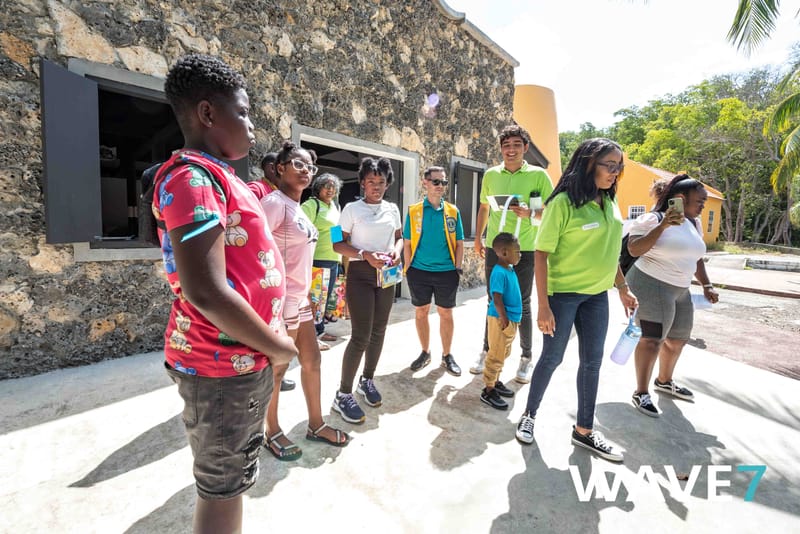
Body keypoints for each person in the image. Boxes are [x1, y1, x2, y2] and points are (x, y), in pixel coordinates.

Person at [155, 53, 298, 534]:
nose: (253, 125)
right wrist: (278, 346)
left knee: (233, 478)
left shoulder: (222, 178)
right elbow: (207, 290)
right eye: (243, 112)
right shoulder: (190, 179)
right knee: (222, 490)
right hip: (219, 368)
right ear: (208, 114)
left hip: (240, 361)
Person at [514, 138, 637, 463]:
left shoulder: (610, 203)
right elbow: (541, 254)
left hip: (597, 297)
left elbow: (610, 254)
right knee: (551, 359)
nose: (615, 173)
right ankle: (529, 415)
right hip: (563, 296)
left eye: (618, 167)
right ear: (588, 164)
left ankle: (584, 431)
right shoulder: (563, 204)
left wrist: (622, 288)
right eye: (610, 166)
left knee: (592, 363)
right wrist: (543, 305)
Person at [260, 141, 350, 460]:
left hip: (302, 299)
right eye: (297, 165)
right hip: (280, 303)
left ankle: (315, 424)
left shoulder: (298, 207)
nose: (305, 172)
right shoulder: (273, 203)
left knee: (312, 360)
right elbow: (254, 252)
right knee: (278, 369)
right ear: (280, 168)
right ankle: (271, 431)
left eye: (310, 168)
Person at [626, 174, 719, 416]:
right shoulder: (651, 218)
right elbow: (634, 248)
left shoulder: (693, 223)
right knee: (652, 339)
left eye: (704, 202)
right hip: (651, 282)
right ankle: (641, 392)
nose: (702, 206)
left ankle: (664, 381)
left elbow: (696, 257)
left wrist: (707, 285)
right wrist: (664, 225)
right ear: (680, 199)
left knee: (678, 338)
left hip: (680, 288)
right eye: (699, 201)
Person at [471, 124, 554, 384]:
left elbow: (545, 214)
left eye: (517, 145)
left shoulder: (538, 177)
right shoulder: (491, 175)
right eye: (506, 145)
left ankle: (526, 357)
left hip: (525, 249)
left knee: (523, 304)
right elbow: (484, 208)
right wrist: (477, 237)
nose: (511, 150)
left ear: (525, 148)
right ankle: (487, 351)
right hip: (496, 249)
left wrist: (530, 213)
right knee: (492, 301)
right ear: (501, 149)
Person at [331, 157, 403, 423]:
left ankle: (367, 380)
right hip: (360, 274)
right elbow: (338, 244)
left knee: (379, 330)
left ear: (387, 184)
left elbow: (400, 237)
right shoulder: (350, 209)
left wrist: (396, 252)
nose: (376, 186)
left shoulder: (392, 209)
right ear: (362, 183)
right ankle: (343, 394)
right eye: (371, 181)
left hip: (386, 275)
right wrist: (364, 254)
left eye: (381, 182)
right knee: (360, 335)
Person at [403, 166, 465, 376]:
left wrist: (457, 267)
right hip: (418, 271)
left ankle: (447, 355)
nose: (440, 186)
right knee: (421, 312)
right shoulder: (414, 211)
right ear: (425, 182)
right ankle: (425, 352)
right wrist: (408, 267)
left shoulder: (453, 211)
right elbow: (407, 243)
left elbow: (459, 243)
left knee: (445, 313)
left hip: (447, 271)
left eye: (444, 182)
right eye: (436, 181)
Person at [257, 150, 296, 391]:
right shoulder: (262, 193)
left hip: (323, 262)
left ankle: (275, 377)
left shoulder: (329, 207)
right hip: (275, 280)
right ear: (276, 169)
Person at [480, 232, 522, 410]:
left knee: (503, 353)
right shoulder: (499, 272)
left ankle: (495, 380)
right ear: (504, 253)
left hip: (511, 319)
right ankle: (488, 390)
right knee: (496, 355)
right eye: (517, 251)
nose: (520, 254)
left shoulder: (510, 269)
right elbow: (496, 298)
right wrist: (503, 318)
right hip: (501, 320)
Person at [301, 173, 344, 346]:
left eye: (333, 187)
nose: (330, 189)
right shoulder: (312, 205)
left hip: (333, 259)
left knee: (324, 301)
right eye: (326, 186)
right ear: (318, 188)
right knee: (315, 300)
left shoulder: (334, 207)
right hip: (317, 259)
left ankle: (319, 331)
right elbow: (302, 231)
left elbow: (336, 234)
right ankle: (312, 336)